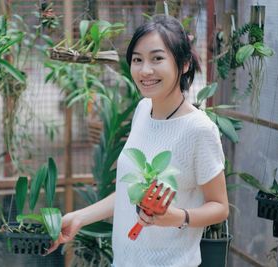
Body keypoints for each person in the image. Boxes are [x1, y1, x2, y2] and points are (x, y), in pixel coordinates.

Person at [47, 14, 229, 267]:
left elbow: (220, 206)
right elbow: (127, 194)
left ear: (184, 63)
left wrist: (179, 217)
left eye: (157, 59)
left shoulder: (199, 130)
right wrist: (79, 217)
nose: (145, 70)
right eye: (137, 60)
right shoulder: (143, 110)